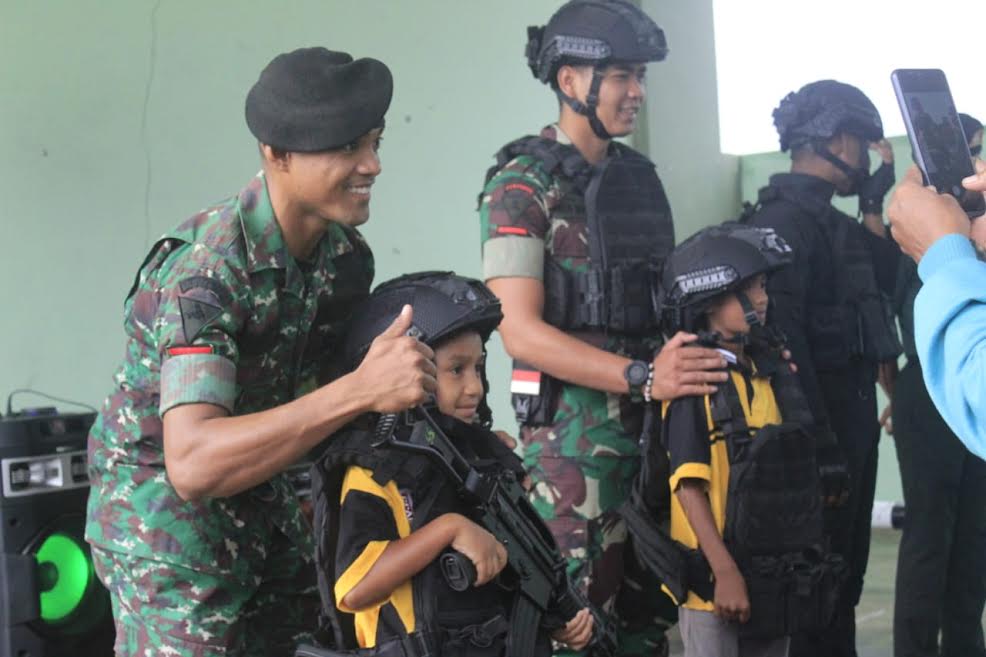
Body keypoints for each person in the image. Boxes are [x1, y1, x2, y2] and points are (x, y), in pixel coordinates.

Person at [85, 48, 438, 657]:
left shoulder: (346, 258)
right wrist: (360, 389)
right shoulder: (209, 273)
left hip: (268, 510)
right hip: (168, 534)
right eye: (347, 148)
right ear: (276, 154)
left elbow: (337, 413)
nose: (373, 164)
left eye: (375, 142)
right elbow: (193, 465)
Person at [477, 3, 728, 654]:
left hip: (650, 445)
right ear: (569, 82)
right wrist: (643, 376)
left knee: (647, 625)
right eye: (620, 75)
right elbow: (520, 332)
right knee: (578, 628)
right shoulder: (520, 185)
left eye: (639, 75)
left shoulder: (639, 180)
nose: (637, 91)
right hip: (574, 458)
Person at [304, 272, 593, 657]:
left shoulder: (481, 458)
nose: (475, 387)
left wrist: (558, 619)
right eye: (457, 370)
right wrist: (449, 529)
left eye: (479, 368)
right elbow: (354, 588)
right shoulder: (377, 473)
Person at [741, 80, 901, 657]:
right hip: (818, 446)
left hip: (848, 435)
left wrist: (876, 200)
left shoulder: (832, 223)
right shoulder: (785, 224)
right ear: (836, 140)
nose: (862, 157)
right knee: (812, 592)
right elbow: (787, 348)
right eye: (860, 144)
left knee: (842, 588)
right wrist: (821, 449)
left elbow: (891, 272)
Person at [658, 223, 840, 657]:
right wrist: (724, 572)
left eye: (762, 286)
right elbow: (688, 487)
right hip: (716, 587)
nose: (763, 298)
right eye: (751, 288)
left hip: (773, 579)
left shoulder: (768, 372)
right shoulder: (695, 381)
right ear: (709, 299)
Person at [888, 112, 986, 657]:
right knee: (930, 534)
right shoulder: (916, 247)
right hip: (929, 388)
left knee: (974, 534)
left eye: (971, 151)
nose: (968, 168)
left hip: (966, 371)